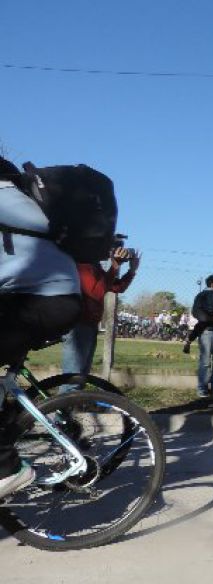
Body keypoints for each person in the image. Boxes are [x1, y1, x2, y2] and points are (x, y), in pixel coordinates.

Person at [0, 157, 82, 498]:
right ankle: (9, 422)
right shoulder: (12, 196)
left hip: (44, 301)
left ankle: (5, 469)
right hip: (41, 298)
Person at [60, 246, 140, 377]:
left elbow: (116, 287)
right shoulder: (82, 265)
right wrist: (115, 266)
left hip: (89, 325)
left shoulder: (95, 267)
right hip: (79, 325)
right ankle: (65, 398)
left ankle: (74, 398)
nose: (110, 251)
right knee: (72, 380)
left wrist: (131, 270)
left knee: (81, 378)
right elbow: (96, 292)